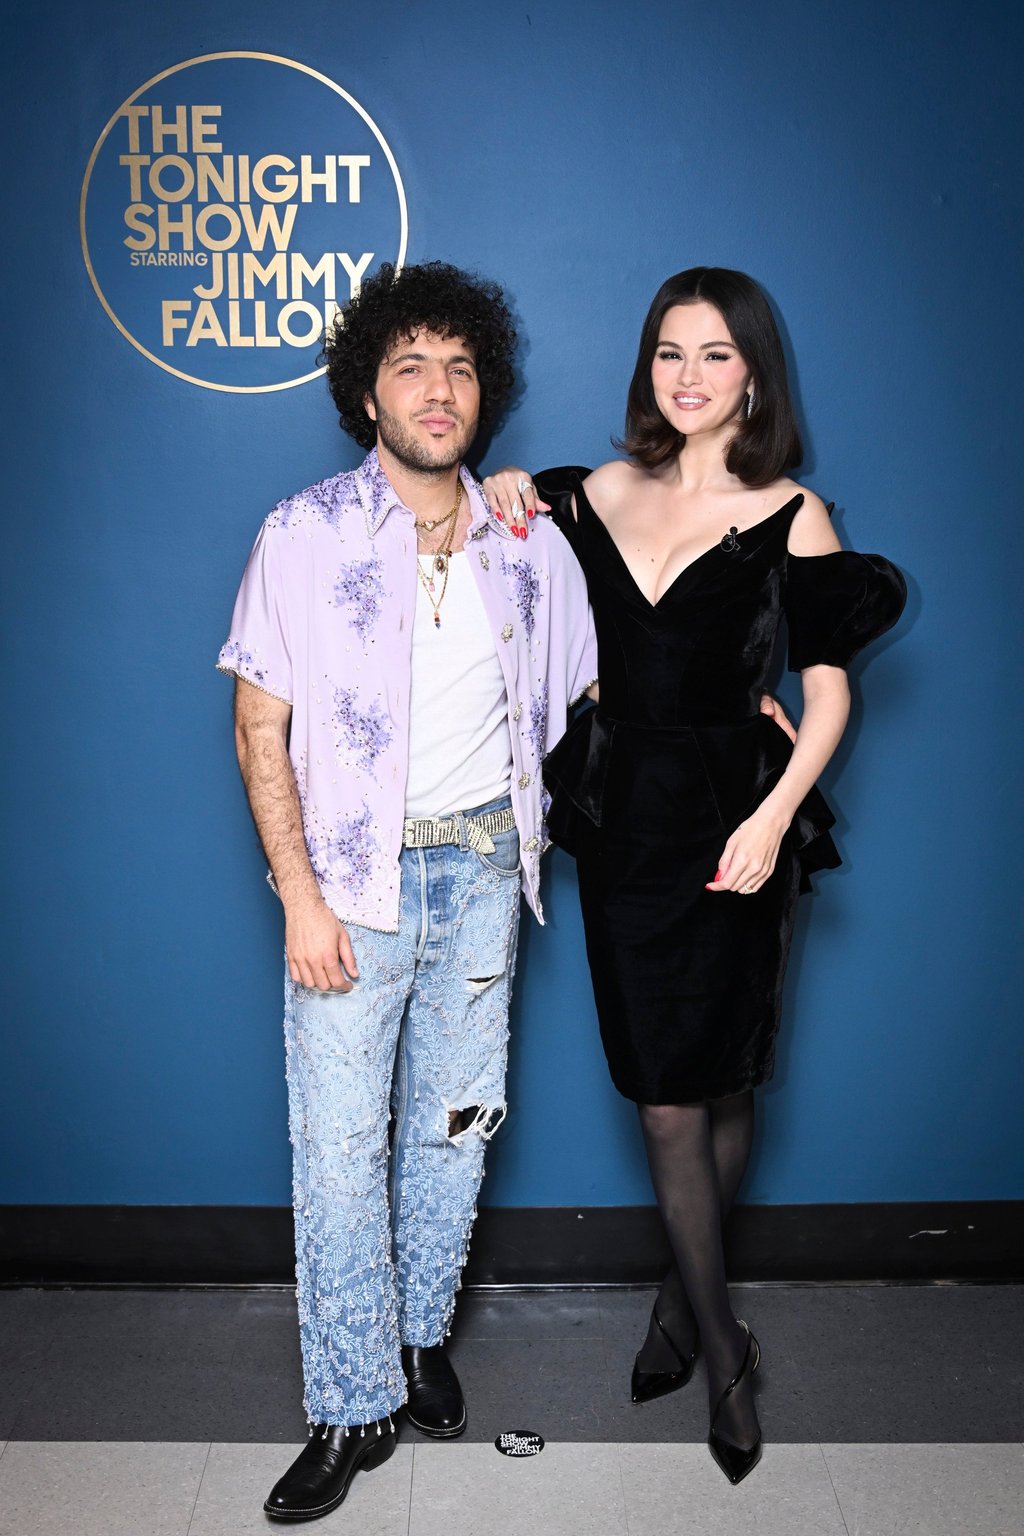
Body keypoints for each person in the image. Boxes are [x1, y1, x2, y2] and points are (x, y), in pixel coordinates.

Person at [483, 266, 906, 1484]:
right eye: (670, 352)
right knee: (666, 1094)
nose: (688, 377)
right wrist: (510, 489)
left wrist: (775, 817)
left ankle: (690, 1316)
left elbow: (829, 694)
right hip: (625, 824)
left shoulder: (794, 515)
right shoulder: (592, 490)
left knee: (721, 1085)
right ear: (646, 367)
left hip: (738, 821)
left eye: (715, 355)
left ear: (755, 376)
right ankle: (725, 1341)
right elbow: (506, 557)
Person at [217, 260, 597, 1522]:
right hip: (351, 887)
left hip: (487, 872)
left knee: (453, 1133)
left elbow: (608, 687)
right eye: (409, 367)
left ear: (483, 392)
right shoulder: (303, 532)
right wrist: (299, 896)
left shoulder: (526, 545)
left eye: (460, 367)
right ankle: (345, 1405)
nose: (438, 391)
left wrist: (754, 704)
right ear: (363, 392)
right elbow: (258, 725)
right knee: (337, 1157)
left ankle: (418, 1340)